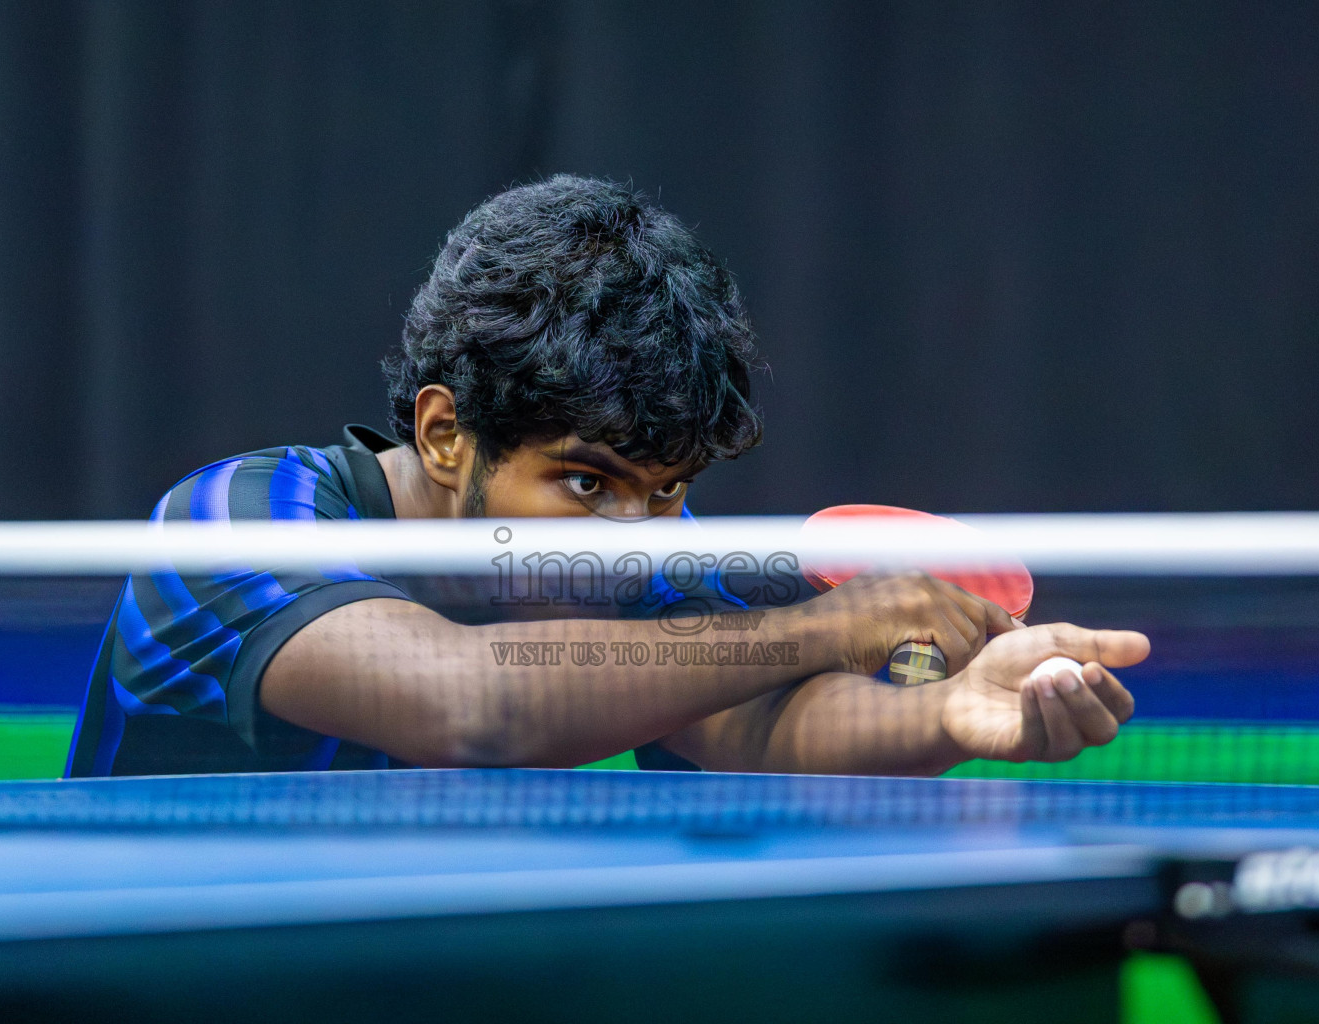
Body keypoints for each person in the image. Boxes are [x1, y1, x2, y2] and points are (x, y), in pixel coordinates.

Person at [66, 175, 1146, 778]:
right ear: (446, 434)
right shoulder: (239, 520)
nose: (635, 537)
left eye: (666, 490)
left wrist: (951, 715)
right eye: (587, 484)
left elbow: (749, 731)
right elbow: (470, 703)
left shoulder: (622, 560)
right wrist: (831, 625)